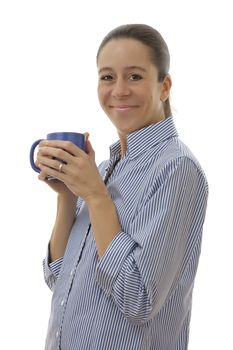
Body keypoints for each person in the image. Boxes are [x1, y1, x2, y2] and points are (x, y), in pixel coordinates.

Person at [37, 24, 208, 350]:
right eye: (107, 77)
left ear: (165, 86)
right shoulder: (102, 170)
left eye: (134, 76)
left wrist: (96, 197)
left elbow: (138, 298)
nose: (118, 90)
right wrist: (68, 195)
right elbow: (59, 280)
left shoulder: (176, 169)